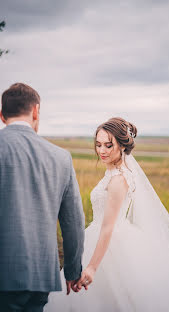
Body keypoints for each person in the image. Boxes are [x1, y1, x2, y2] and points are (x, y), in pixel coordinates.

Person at [45, 117, 169, 311]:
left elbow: (108, 227)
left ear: (122, 146)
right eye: (98, 145)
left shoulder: (118, 179)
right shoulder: (115, 172)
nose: (102, 150)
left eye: (108, 145)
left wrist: (92, 267)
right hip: (103, 235)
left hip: (110, 240)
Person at [0, 83, 85, 312]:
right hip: (41, 277)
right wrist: (72, 271)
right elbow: (74, 222)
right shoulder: (61, 157)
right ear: (36, 111)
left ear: (1, 114)